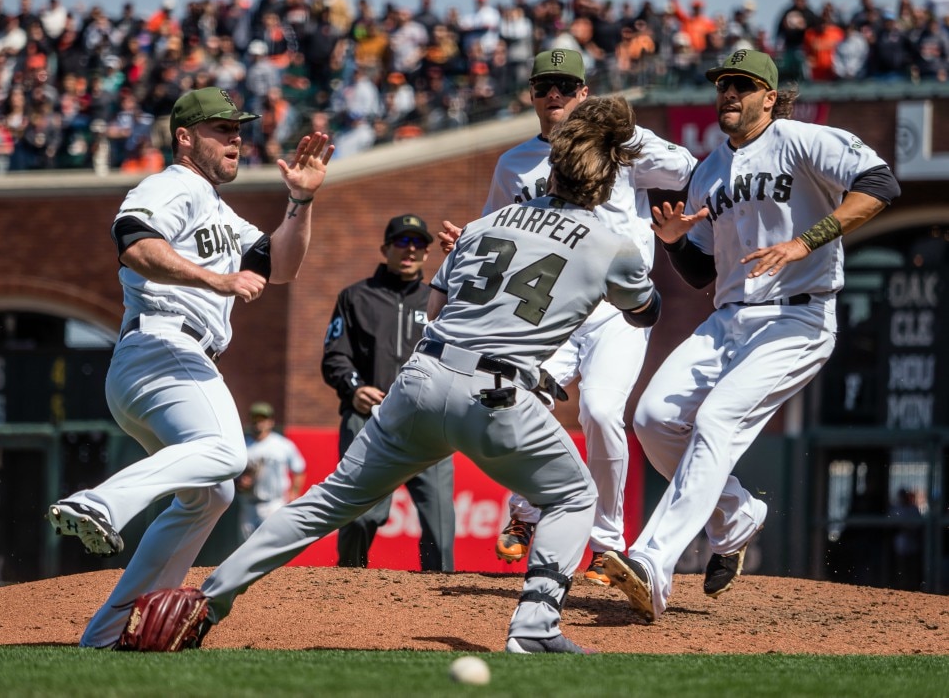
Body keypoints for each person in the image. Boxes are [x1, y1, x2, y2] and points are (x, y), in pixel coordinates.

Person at [196, 94, 661, 654]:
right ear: (608, 175)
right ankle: (535, 630)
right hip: (496, 394)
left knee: (329, 501)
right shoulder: (613, 243)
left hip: (420, 377)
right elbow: (644, 313)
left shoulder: (487, 223)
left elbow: (447, 308)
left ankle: (207, 598)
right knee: (572, 495)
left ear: (554, 165)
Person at [601, 49, 901, 623]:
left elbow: (879, 183)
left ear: (770, 95)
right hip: (728, 318)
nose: (729, 94)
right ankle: (735, 516)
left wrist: (804, 241)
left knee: (715, 421)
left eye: (742, 84)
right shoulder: (710, 170)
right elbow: (702, 273)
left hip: (798, 316)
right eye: (723, 85)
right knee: (653, 419)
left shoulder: (799, 139)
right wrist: (670, 241)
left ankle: (652, 561)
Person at [46, 86, 335, 648]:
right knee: (229, 453)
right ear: (185, 137)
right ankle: (99, 502)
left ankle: (106, 635)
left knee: (213, 494)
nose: (236, 138)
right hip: (163, 347)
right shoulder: (170, 185)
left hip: (169, 362)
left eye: (239, 128)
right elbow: (133, 243)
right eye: (222, 128)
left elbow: (280, 267)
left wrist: (300, 203)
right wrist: (215, 279)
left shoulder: (219, 210)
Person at [439, 48, 695, 586]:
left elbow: (687, 169)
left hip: (615, 311)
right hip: (549, 309)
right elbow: (497, 224)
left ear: (584, 92)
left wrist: (624, 136)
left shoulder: (621, 150)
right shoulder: (515, 163)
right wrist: (466, 242)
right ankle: (528, 511)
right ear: (531, 94)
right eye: (543, 85)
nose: (554, 94)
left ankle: (606, 545)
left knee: (601, 413)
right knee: (515, 400)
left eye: (566, 84)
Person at [321, 214, 455, 572]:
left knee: (440, 530)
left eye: (417, 243)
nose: (410, 249)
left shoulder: (442, 301)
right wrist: (354, 389)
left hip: (429, 424)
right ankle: (347, 583)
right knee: (361, 515)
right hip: (370, 419)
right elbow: (335, 355)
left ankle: (438, 601)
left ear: (427, 253)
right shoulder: (356, 296)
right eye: (401, 242)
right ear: (385, 249)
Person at [234, 402, 307, 542]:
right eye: (255, 418)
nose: (259, 422)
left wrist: (294, 492)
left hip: (274, 503)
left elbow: (299, 469)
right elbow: (232, 475)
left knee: (271, 546)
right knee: (244, 549)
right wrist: (239, 482)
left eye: (263, 418)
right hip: (248, 504)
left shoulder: (282, 444)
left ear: (271, 421)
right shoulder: (243, 445)